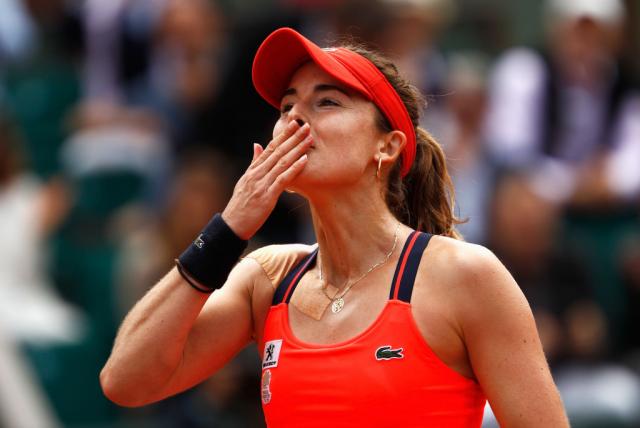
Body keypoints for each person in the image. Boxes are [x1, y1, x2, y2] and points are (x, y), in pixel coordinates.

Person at [100, 27, 569, 427]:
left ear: (387, 146)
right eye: (286, 106)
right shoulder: (267, 279)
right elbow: (126, 381)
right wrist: (227, 231)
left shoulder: (464, 276)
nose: (295, 118)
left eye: (326, 102)